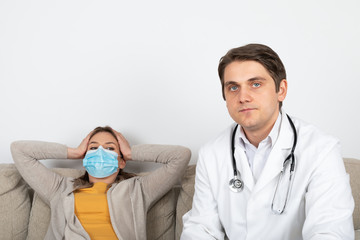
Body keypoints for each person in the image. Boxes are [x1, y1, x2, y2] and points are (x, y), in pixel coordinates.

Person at [181, 44, 354, 239]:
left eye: (255, 84)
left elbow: (329, 232)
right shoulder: (211, 153)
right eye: (233, 87)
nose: (243, 97)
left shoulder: (322, 150)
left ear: (281, 90)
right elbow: (201, 229)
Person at [11, 126, 191, 240]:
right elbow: (19, 151)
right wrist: (74, 151)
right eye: (93, 148)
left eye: (110, 148)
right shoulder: (60, 187)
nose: (101, 152)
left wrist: (130, 152)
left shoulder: (139, 189)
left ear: (121, 161)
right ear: (84, 157)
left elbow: (180, 156)